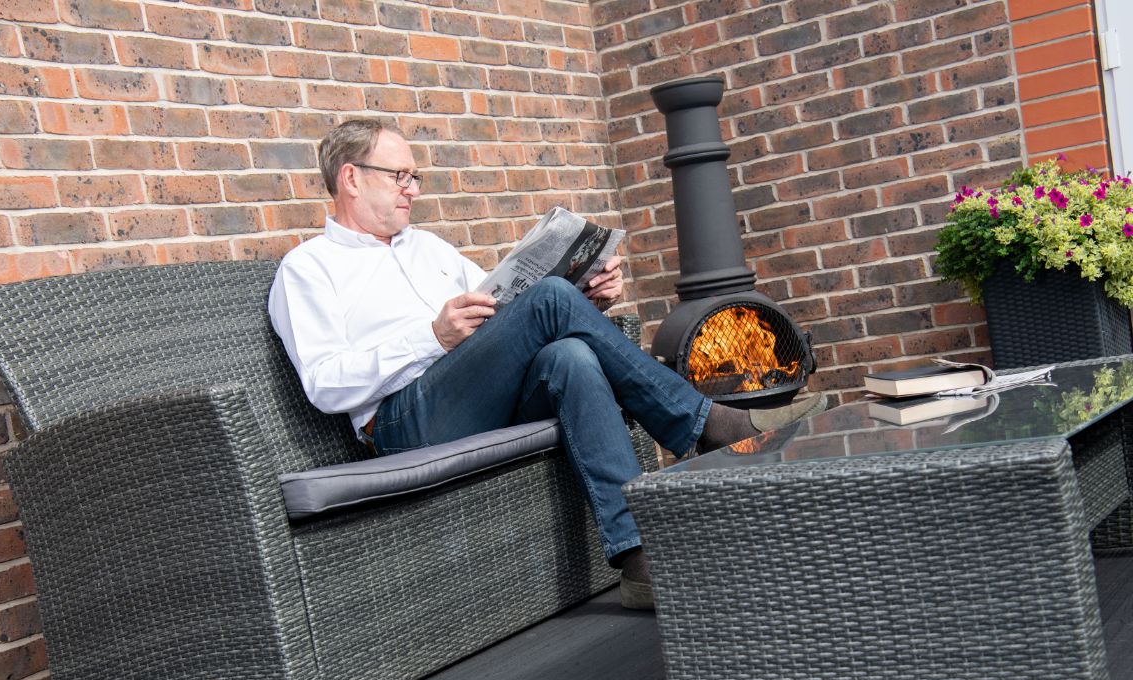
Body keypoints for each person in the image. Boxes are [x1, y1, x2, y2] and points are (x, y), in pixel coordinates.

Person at [268, 118, 826, 610]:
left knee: (571, 353)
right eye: (400, 176)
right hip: (400, 422)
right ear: (350, 177)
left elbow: (508, 315)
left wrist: (592, 298)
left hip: (475, 402)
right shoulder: (309, 269)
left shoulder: (429, 248)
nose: (412, 190)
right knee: (552, 301)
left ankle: (638, 561)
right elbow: (324, 385)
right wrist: (431, 337)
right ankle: (705, 424)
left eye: (415, 177)